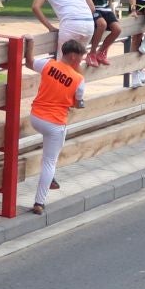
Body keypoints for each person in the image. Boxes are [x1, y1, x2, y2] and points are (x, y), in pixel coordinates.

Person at [28, 38, 88, 213]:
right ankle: (39, 202)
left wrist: (30, 43)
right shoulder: (78, 79)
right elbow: (77, 104)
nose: (81, 61)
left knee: (50, 157)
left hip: (36, 117)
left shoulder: (48, 65)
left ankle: (51, 179)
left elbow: (30, 62)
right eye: (80, 57)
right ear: (73, 56)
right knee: (49, 161)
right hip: (55, 122)